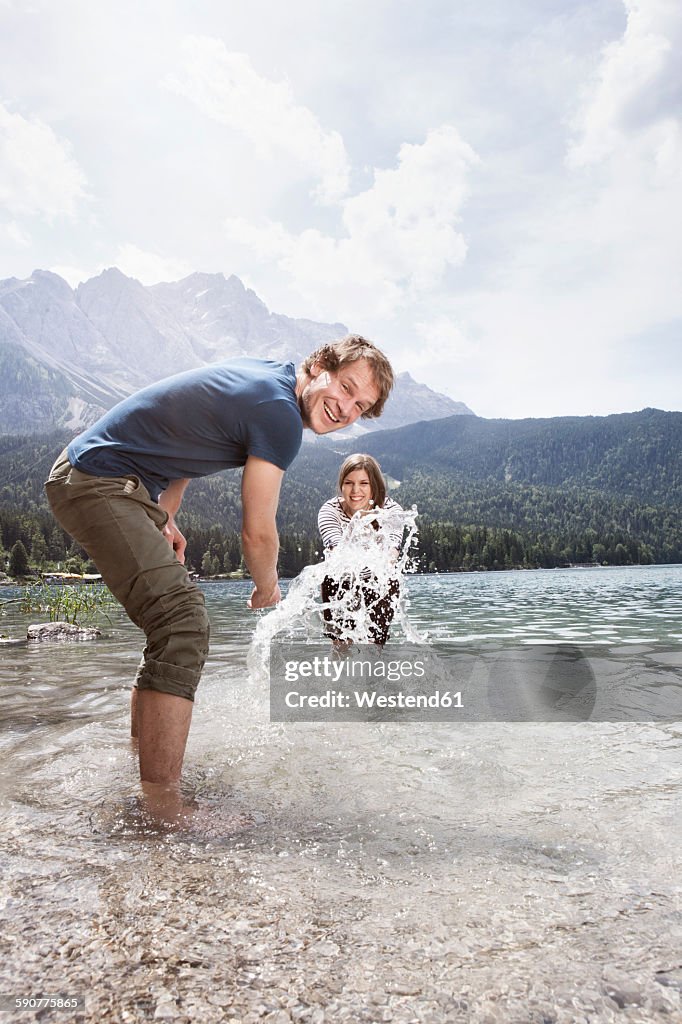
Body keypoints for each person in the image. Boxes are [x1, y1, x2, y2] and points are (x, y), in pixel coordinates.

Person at [45, 335, 394, 800]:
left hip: (106, 478)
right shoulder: (280, 415)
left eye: (361, 406)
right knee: (182, 623)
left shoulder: (271, 376)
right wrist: (268, 587)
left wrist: (166, 515)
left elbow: (185, 435)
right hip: (98, 480)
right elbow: (258, 531)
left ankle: (140, 763)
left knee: (169, 625)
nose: (346, 408)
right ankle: (162, 804)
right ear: (322, 366)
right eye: (347, 388)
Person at [318, 453, 404, 649]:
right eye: (349, 483)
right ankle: (339, 668)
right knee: (342, 646)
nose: (355, 490)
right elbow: (337, 551)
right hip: (341, 579)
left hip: (380, 580)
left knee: (375, 647)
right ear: (342, 485)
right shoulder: (330, 511)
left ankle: (374, 671)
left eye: (363, 483)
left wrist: (374, 576)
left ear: (374, 485)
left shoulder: (391, 510)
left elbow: (392, 550)